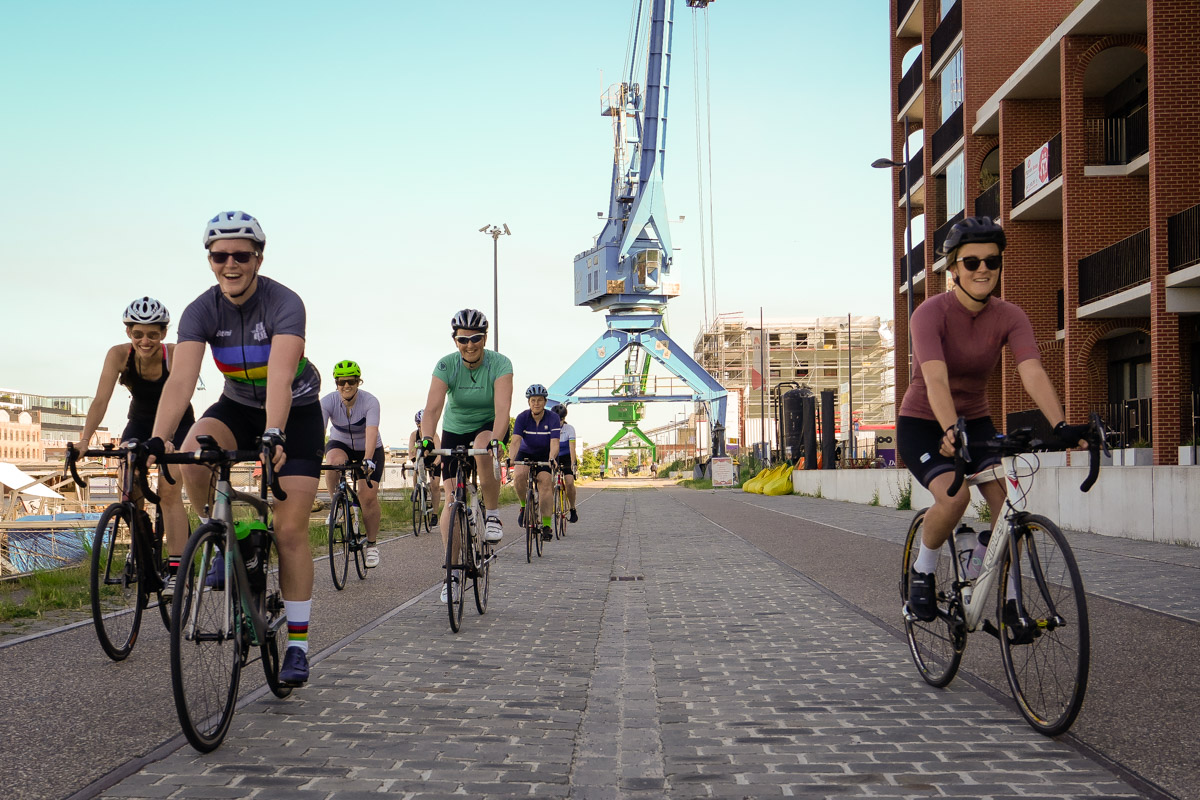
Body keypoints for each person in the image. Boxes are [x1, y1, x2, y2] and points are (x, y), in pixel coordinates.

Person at [149, 210, 324, 687]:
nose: (230, 263)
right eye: (219, 255)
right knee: (191, 451)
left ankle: (298, 646)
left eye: (240, 255)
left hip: (295, 411)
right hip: (235, 405)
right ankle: (229, 532)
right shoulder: (201, 310)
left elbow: (282, 379)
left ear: (258, 259)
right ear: (210, 260)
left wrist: (275, 434)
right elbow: (182, 379)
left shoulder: (284, 302)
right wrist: (159, 438)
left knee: (289, 530)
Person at [897, 216, 1090, 627]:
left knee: (1011, 509)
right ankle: (924, 570)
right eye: (971, 262)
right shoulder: (930, 313)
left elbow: (1032, 371)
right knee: (955, 498)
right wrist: (950, 430)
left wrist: (1060, 426)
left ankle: (1009, 602)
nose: (983, 268)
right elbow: (934, 377)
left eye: (991, 260)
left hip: (977, 423)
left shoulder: (1010, 316)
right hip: (924, 423)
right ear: (953, 270)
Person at [75, 297, 196, 595]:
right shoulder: (117, 355)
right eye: (138, 334)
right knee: (128, 478)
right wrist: (84, 440)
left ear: (163, 334)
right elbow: (101, 400)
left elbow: (181, 394)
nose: (145, 340)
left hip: (178, 422)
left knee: (169, 491)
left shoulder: (176, 354)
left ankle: (177, 572)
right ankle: (140, 545)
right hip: (140, 422)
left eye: (153, 334)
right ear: (128, 332)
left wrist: (166, 438)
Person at [418, 309, 512, 603]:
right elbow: (432, 409)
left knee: (484, 445)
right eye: (463, 340)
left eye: (476, 339)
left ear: (485, 338)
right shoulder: (446, 365)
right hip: (455, 429)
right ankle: (452, 575)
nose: (469, 345)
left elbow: (502, 410)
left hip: (488, 425)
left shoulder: (500, 363)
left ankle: (493, 515)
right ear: (454, 339)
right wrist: (426, 439)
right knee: (450, 500)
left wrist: (496, 440)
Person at [320, 360, 385, 568]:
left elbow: (371, 432)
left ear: (358, 382)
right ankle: (337, 506)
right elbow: (318, 432)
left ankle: (372, 545)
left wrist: (367, 459)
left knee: (367, 497)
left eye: (351, 381)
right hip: (341, 443)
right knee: (333, 462)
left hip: (370, 446)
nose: (346, 386)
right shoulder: (327, 402)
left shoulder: (370, 401)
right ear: (336, 383)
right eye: (341, 382)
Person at [511, 386, 561, 541]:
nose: (536, 403)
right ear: (529, 402)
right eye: (533, 400)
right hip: (526, 453)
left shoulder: (553, 418)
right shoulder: (522, 417)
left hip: (545, 454)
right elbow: (516, 441)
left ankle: (546, 525)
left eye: (540, 400)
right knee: (519, 476)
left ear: (545, 402)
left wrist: (552, 458)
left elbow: (555, 442)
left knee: (546, 484)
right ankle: (524, 507)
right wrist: (511, 458)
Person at [407, 410, 440, 527]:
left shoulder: (434, 435)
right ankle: (416, 490)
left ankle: (435, 514)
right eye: (419, 426)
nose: (421, 428)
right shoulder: (413, 435)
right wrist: (414, 460)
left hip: (434, 461)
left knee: (435, 485)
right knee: (416, 468)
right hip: (421, 459)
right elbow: (411, 452)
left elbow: (440, 454)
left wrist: (435, 465)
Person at [551, 403, 580, 523]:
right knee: (548, 482)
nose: (559, 422)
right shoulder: (550, 428)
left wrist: (573, 464)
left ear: (564, 419)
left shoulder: (569, 429)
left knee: (569, 482)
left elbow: (572, 448)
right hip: (554, 456)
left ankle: (572, 508)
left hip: (567, 457)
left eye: (561, 419)